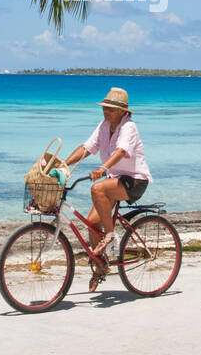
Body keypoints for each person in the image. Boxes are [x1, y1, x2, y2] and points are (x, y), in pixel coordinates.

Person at [63, 87, 152, 291]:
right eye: (105, 108)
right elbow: (87, 148)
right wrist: (64, 163)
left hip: (134, 180)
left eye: (111, 109)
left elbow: (121, 151)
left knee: (97, 189)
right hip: (115, 179)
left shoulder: (129, 127)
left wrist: (103, 167)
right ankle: (101, 268)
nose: (106, 112)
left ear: (122, 111)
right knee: (93, 223)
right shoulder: (103, 126)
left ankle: (110, 236)